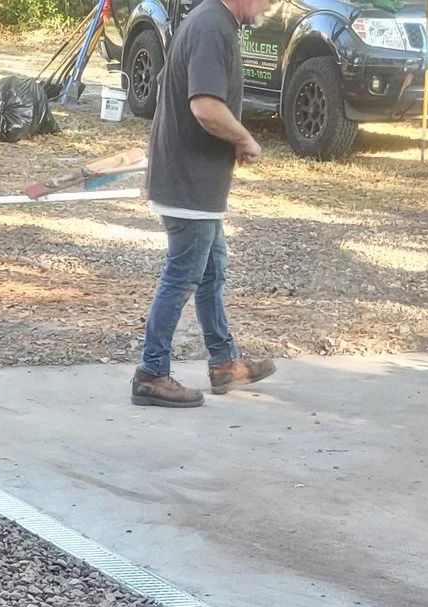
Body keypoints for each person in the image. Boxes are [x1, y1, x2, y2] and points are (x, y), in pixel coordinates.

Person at [132, 0, 278, 409]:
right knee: (182, 277)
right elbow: (205, 106)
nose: (273, 4)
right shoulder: (213, 26)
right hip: (189, 185)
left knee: (212, 272)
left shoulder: (210, 20)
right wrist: (243, 138)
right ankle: (151, 373)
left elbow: (170, 83)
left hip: (195, 183)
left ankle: (224, 362)